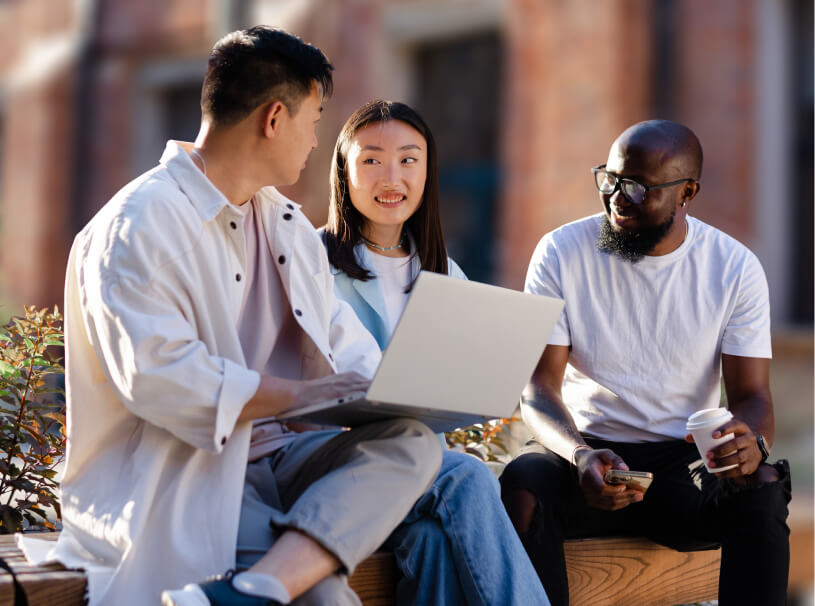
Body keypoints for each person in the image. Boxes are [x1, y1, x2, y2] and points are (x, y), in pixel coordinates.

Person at [22, 27, 445, 606]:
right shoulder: (137, 225)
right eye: (315, 120)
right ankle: (270, 584)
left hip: (283, 462)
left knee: (412, 441)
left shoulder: (286, 224)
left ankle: (257, 588)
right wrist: (297, 396)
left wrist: (392, 390)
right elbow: (160, 378)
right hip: (183, 477)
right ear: (274, 118)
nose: (317, 142)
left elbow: (342, 344)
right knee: (323, 599)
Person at [499, 119, 791, 606]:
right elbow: (538, 388)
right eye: (609, 179)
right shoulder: (561, 252)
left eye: (637, 187)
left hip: (682, 466)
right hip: (586, 455)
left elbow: (753, 398)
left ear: (686, 193)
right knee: (524, 484)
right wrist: (581, 456)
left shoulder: (734, 268)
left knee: (760, 483)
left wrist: (750, 442)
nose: (617, 196)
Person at [320, 99, 551, 606]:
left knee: (430, 540)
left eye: (408, 160)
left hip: (421, 472)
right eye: (372, 159)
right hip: (339, 465)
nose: (391, 177)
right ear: (344, 168)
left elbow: (458, 394)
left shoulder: (444, 272)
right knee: (468, 476)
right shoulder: (310, 263)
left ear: (427, 172)